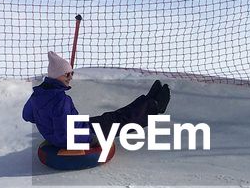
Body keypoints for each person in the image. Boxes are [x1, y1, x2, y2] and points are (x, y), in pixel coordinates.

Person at [22, 51, 171, 149]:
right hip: (78, 135)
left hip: (78, 127)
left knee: (110, 117)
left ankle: (149, 101)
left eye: (71, 73)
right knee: (119, 121)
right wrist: (90, 139)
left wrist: (46, 123)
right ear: (55, 75)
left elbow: (27, 115)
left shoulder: (39, 93)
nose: (70, 77)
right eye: (66, 74)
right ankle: (154, 107)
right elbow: (64, 135)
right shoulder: (60, 100)